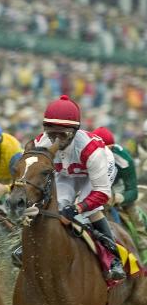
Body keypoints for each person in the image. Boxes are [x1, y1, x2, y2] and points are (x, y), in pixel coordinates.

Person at [33, 95, 125, 281]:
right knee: (56, 206)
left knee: (92, 211)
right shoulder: (40, 143)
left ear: (75, 131)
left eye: (63, 134)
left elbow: (101, 193)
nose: (57, 140)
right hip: (67, 174)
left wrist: (78, 208)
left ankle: (114, 258)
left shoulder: (92, 150)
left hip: (93, 175)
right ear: (45, 130)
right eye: (52, 133)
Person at [93, 126, 147, 254]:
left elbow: (132, 191)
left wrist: (120, 197)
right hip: (93, 186)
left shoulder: (125, 159)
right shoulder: (83, 153)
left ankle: (143, 244)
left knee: (133, 211)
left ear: (113, 147)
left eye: (108, 150)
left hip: (117, 187)